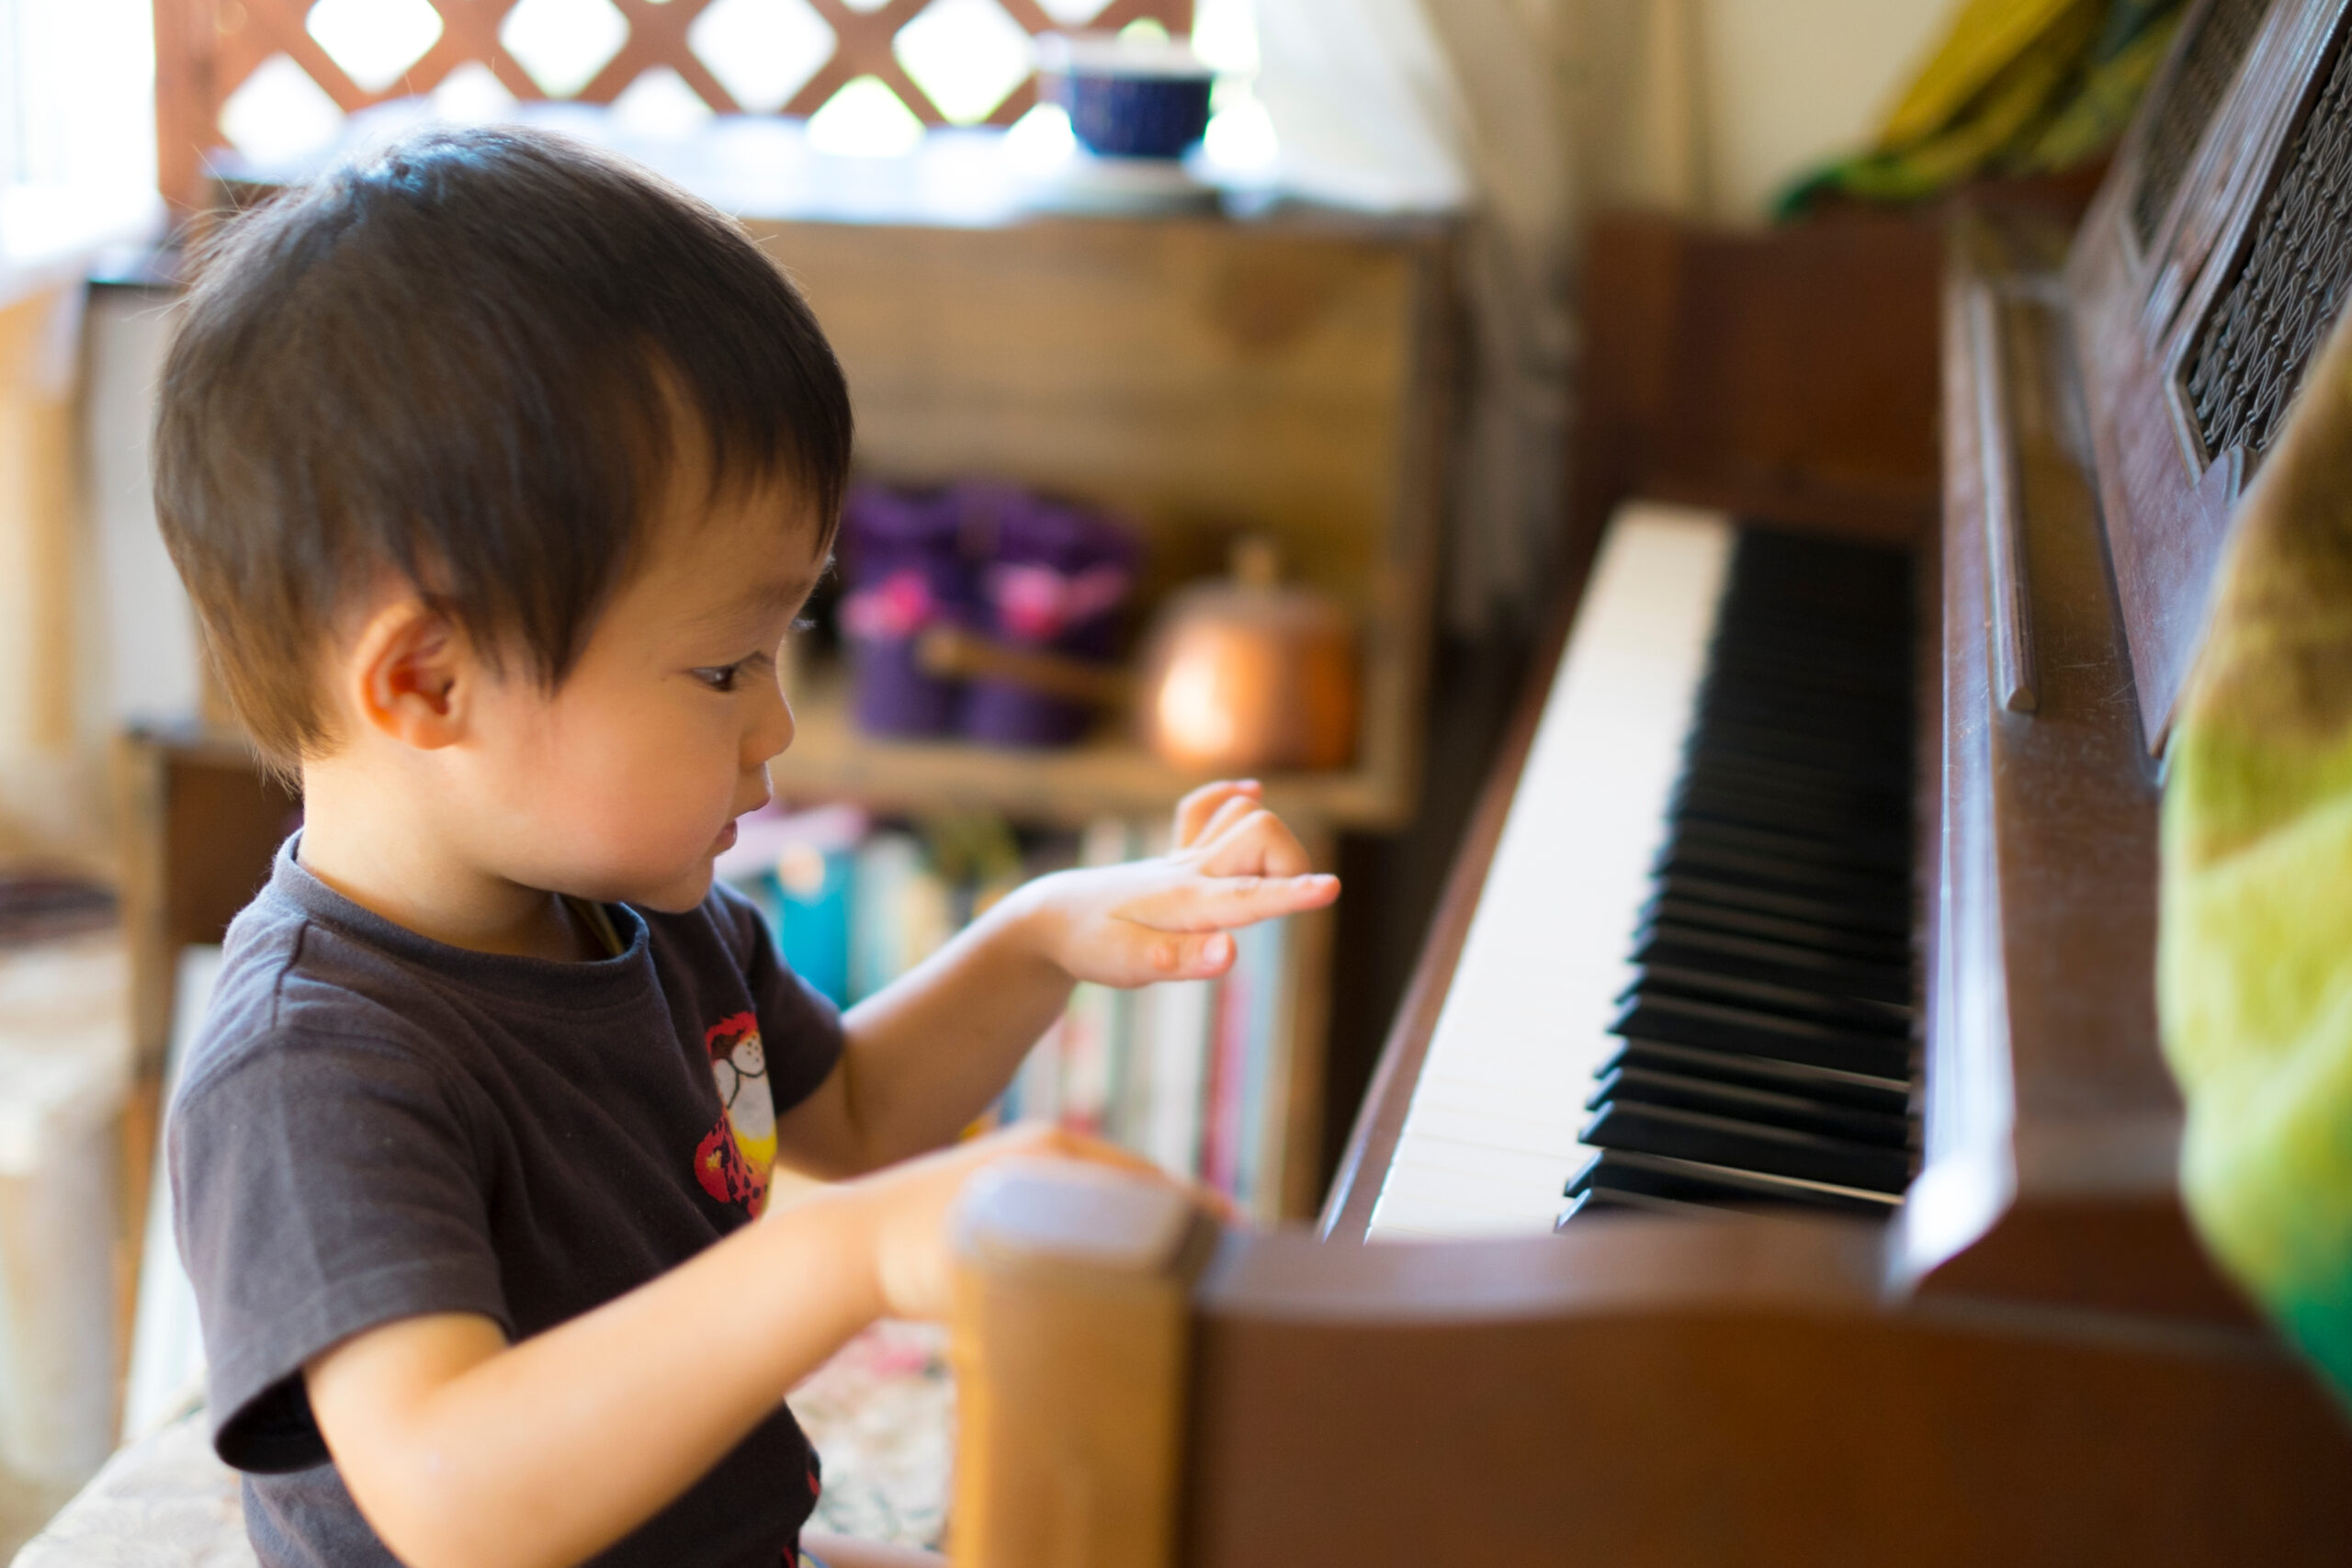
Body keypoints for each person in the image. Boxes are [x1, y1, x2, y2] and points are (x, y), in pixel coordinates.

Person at [153, 125, 1338, 1568]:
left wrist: (1042, 935)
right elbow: (454, 1496)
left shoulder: (639, 922)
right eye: (724, 668)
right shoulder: (313, 1064)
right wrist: (848, 1258)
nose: (777, 725)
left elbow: (852, 1119)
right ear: (428, 683)